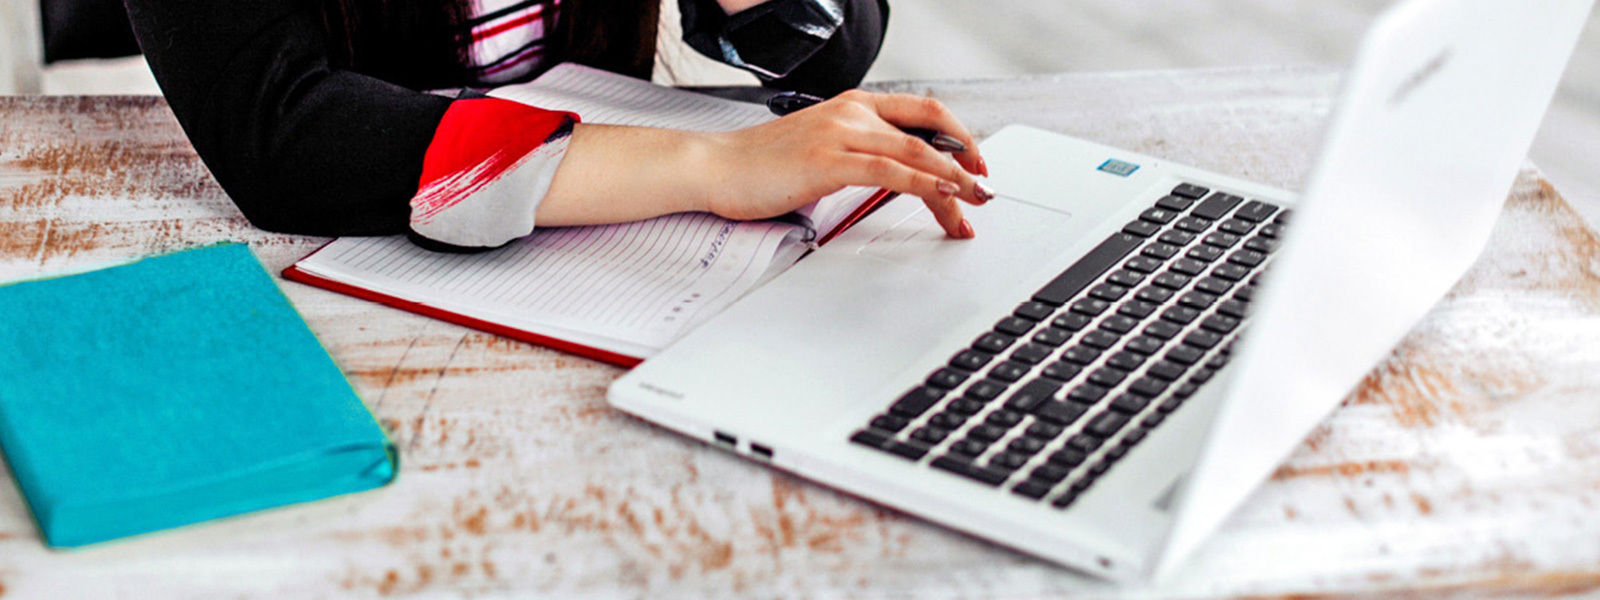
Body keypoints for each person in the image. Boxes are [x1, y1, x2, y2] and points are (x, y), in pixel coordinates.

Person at [122, 0, 993, 251]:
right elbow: (281, 135)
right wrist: (705, 164)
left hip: (595, 259)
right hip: (327, 263)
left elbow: (829, 48)